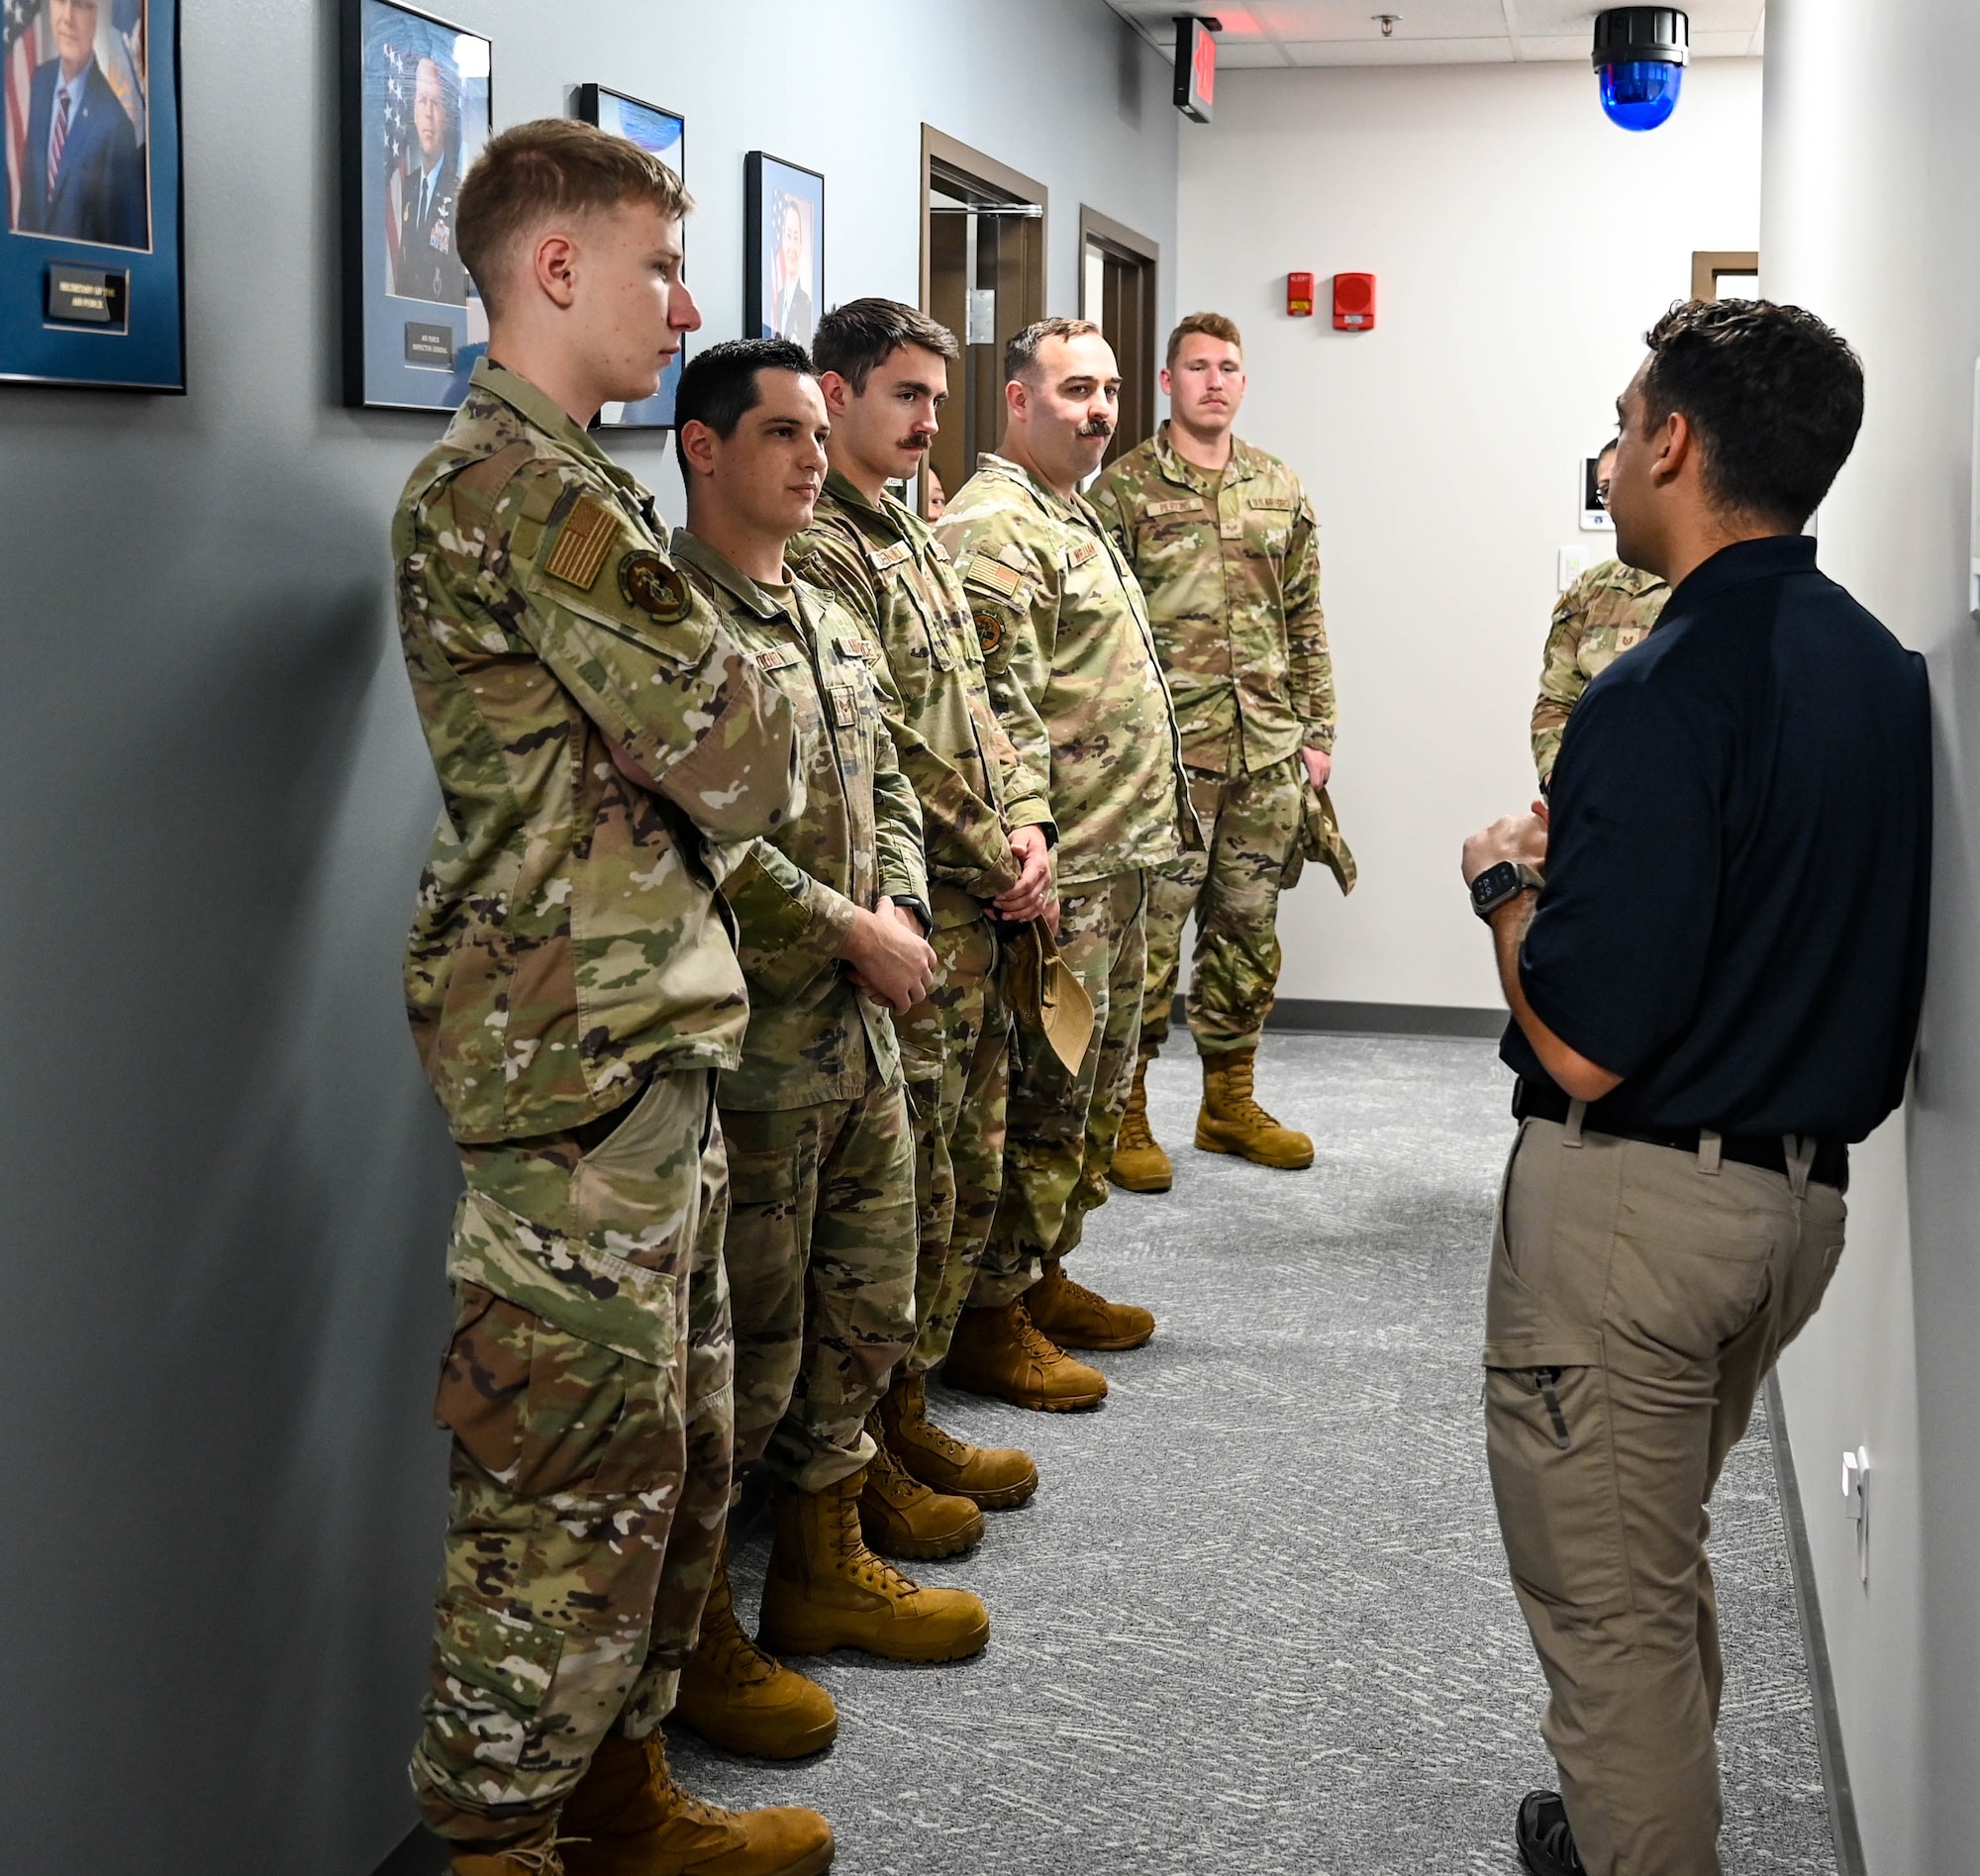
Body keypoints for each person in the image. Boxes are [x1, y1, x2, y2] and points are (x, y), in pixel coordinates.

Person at [390, 119, 832, 1876]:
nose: (685, 298)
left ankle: (620, 1806)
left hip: (634, 1046)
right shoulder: (521, 493)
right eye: (657, 262)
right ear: (556, 269)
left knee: (665, 1468)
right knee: (561, 1506)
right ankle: (499, 1848)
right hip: (571, 1071)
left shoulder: (572, 479)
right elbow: (742, 760)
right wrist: (740, 703)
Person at [1459, 298, 1930, 1876]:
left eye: (1619, 420)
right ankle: (1614, 1829)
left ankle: (1637, 1842)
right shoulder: (1875, 666)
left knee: (1606, 1611)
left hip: (1640, 1222)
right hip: (1792, 1216)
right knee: (1644, 1560)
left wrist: (1501, 888)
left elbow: (1588, 1038)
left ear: (1672, 442)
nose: (1603, 454)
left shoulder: (1656, 692)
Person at [667, 339, 992, 1766]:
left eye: (817, 430)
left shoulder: (830, 615)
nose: (812, 456)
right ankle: (703, 1635)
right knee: (741, 1345)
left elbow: (897, 793)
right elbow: (703, 841)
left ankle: (822, 1553)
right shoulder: (673, 620)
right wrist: (850, 930)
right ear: (701, 447)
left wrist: (904, 909)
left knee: (865, 1300)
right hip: (755, 1043)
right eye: (782, 432)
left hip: (864, 1033)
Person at [793, 297, 1055, 1551]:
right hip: (914, 911)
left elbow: (982, 698)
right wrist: (986, 845)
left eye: (936, 399)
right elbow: (885, 737)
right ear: (833, 396)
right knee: (889, 1212)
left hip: (978, 900)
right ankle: (862, 1448)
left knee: (957, 1173)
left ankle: (905, 1409)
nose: (925, 421)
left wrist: (1029, 824)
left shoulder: (913, 526)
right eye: (904, 396)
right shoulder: (821, 544)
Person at [935, 317, 1192, 1410]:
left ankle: (1041, 1277)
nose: (1097, 410)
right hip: (1066, 874)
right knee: (1039, 1098)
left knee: (1088, 1095)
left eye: (1110, 390)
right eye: (1074, 389)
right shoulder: (997, 527)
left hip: (1121, 862)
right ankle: (990, 1316)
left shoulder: (1068, 512)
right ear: (1017, 401)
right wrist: (1029, 845)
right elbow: (998, 716)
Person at [1092, 312, 1337, 1190]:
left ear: (1243, 379)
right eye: (1197, 367)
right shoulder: (1120, 492)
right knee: (1149, 943)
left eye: (1229, 367)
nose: (1214, 381)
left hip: (1267, 752)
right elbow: (1102, 635)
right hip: (1167, 763)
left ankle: (1228, 1103)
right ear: (1168, 381)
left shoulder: (1279, 487)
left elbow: (1304, 616)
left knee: (1246, 935)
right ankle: (1126, 1109)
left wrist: (1318, 735)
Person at [1531, 440, 1668, 790]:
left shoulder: (1709, 584)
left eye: (1618, 485)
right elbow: (1555, 701)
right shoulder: (1592, 589)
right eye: (1604, 491)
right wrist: (1559, 781)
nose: (1613, 503)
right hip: (1592, 798)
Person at [13, 0, 146, 249]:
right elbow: (30, 201)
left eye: (82, 5)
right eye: (61, 1)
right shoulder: (41, 81)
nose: (67, 18)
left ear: (97, 15)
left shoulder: (115, 126)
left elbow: (122, 245)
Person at [396, 54, 467, 305]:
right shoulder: (408, 186)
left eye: (435, 103)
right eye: (422, 101)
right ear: (413, 112)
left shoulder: (461, 194)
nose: (428, 113)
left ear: (446, 115)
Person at [767, 194, 814, 346]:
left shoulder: (806, 304)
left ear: (801, 245)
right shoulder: (779, 297)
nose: (791, 247)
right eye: (788, 235)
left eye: (796, 237)